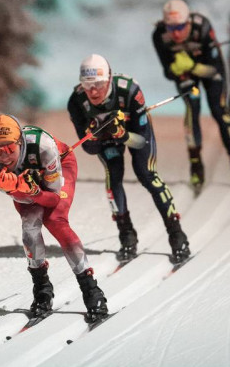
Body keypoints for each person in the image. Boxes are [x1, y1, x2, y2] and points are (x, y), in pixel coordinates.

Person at [0, 114, 108, 323]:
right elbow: (24, 199)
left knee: (55, 220)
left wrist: (29, 189)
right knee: (29, 225)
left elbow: (53, 199)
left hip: (59, 167)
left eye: (9, 148)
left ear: (20, 142)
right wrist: (19, 189)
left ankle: (91, 289)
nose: (4, 156)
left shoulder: (43, 146)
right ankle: (42, 288)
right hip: (26, 187)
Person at [67, 54, 191, 263]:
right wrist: (97, 134)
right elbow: (88, 147)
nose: (93, 91)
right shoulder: (76, 102)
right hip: (107, 139)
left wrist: (122, 134)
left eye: (98, 83)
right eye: (87, 85)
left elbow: (142, 141)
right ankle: (127, 235)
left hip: (134, 133)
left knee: (146, 174)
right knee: (113, 175)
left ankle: (177, 234)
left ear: (109, 79)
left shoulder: (130, 91)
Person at [152, 0, 230, 198]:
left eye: (180, 27)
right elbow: (167, 72)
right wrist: (175, 68)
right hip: (186, 74)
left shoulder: (202, 27)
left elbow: (215, 67)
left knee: (219, 111)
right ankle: (196, 164)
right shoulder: (159, 35)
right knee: (192, 108)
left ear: (188, 22)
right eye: (172, 27)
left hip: (208, 71)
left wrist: (193, 66)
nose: (176, 33)